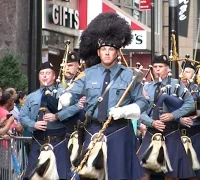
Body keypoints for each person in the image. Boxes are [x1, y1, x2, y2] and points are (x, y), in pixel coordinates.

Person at [69, 12, 148, 180]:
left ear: (117, 52)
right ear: (98, 52)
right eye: (103, 49)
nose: (106, 53)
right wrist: (66, 98)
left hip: (119, 130)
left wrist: (125, 111)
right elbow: (73, 94)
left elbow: (143, 102)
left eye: (110, 49)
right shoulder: (88, 74)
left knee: (118, 175)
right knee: (90, 175)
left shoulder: (129, 75)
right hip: (94, 130)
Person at [137, 55, 196, 180]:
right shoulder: (147, 87)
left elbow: (190, 105)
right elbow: (140, 110)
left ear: (168, 68)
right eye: (155, 67)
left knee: (171, 172)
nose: (157, 69)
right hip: (152, 132)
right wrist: (151, 122)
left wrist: (173, 115)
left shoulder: (177, 84)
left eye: (161, 67)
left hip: (171, 131)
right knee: (141, 170)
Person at [20, 62, 72, 180]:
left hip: (58, 141)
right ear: (38, 76)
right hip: (38, 141)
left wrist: (57, 116)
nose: (44, 76)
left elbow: (71, 112)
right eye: (42, 73)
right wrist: (33, 124)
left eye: (48, 73)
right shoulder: (31, 97)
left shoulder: (63, 94)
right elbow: (23, 116)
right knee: (30, 176)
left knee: (62, 176)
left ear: (54, 76)